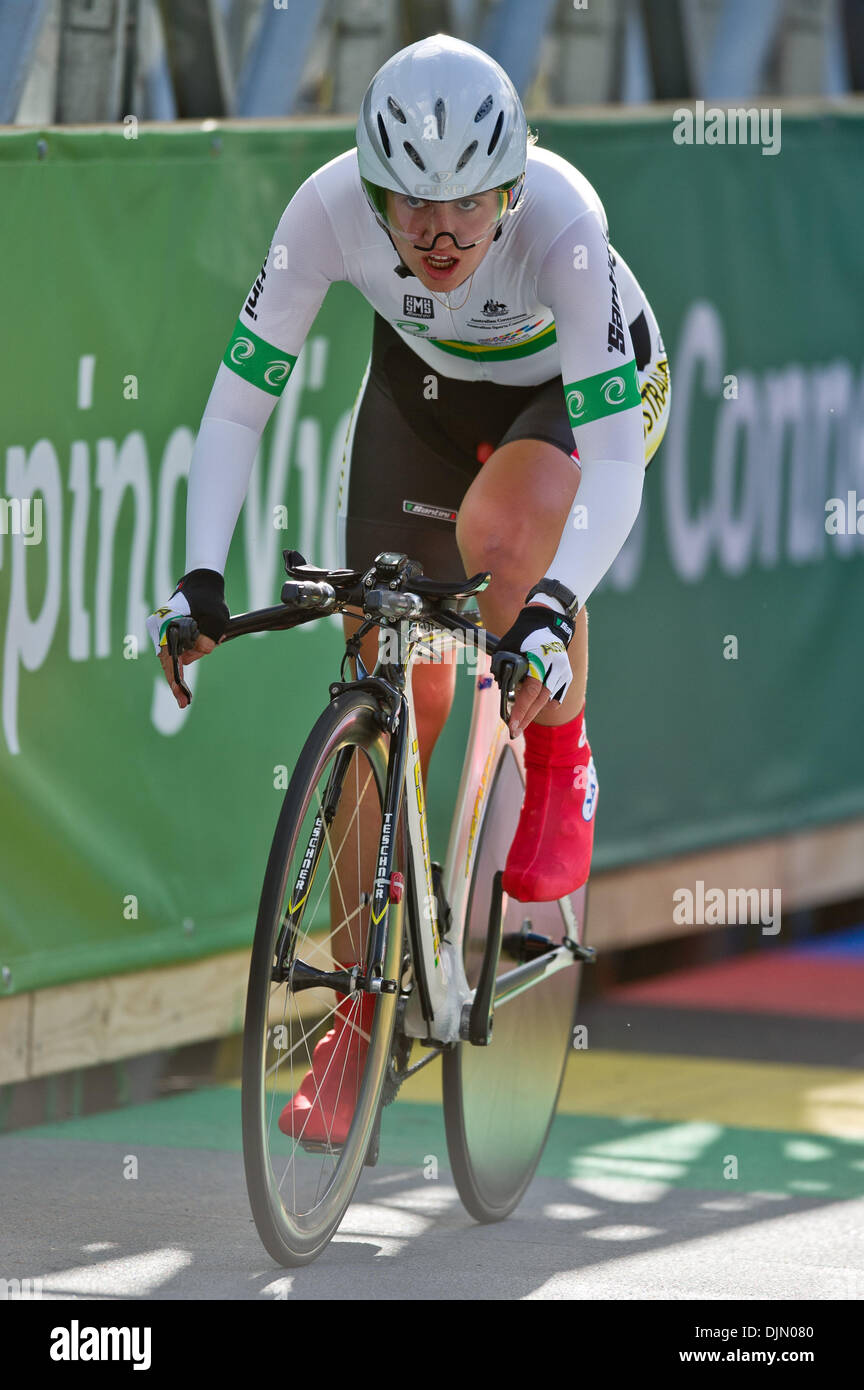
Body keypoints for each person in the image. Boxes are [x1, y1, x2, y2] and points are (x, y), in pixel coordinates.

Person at [147, 34, 670, 1146]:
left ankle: (565, 764)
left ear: (512, 190)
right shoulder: (328, 209)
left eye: (468, 209)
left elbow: (616, 469)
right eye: (409, 208)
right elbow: (237, 405)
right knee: (386, 688)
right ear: (372, 190)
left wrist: (546, 613)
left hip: (572, 407)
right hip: (422, 403)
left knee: (502, 531)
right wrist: (197, 579)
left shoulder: (566, 229)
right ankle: (357, 1015)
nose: (438, 236)